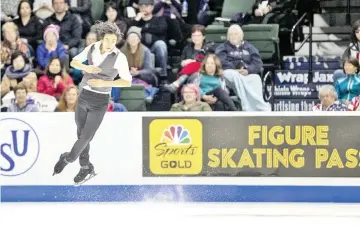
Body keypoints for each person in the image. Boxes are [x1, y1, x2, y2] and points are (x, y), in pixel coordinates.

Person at [52, 21, 132, 184]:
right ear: (102, 38)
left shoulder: (119, 57)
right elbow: (73, 62)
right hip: (83, 96)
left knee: (86, 136)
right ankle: (85, 167)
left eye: (114, 40)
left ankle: (68, 159)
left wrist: (105, 83)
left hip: (100, 101)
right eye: (108, 40)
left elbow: (127, 81)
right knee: (81, 135)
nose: (111, 44)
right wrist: (86, 68)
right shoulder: (93, 48)